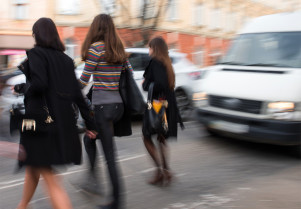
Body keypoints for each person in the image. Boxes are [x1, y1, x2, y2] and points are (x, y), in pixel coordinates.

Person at [14, 17, 97, 209]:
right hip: (61, 124)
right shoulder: (66, 60)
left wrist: (22, 87)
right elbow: (78, 94)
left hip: (40, 126)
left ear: (38, 35)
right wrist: (90, 124)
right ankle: (23, 205)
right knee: (34, 168)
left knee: (49, 177)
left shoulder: (37, 54)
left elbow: (40, 83)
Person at [80, 14, 133, 209]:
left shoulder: (96, 49)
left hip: (103, 108)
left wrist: (67, 85)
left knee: (110, 157)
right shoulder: (118, 49)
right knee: (90, 138)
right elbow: (130, 74)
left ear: (96, 28)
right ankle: (93, 180)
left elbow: (84, 80)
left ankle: (116, 202)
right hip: (118, 107)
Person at [142, 37, 184, 186]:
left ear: (155, 48)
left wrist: (146, 83)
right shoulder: (167, 63)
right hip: (167, 104)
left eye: (150, 47)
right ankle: (165, 171)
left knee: (146, 137)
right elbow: (167, 84)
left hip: (156, 105)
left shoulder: (155, 62)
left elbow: (157, 84)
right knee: (161, 137)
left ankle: (160, 171)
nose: (149, 50)